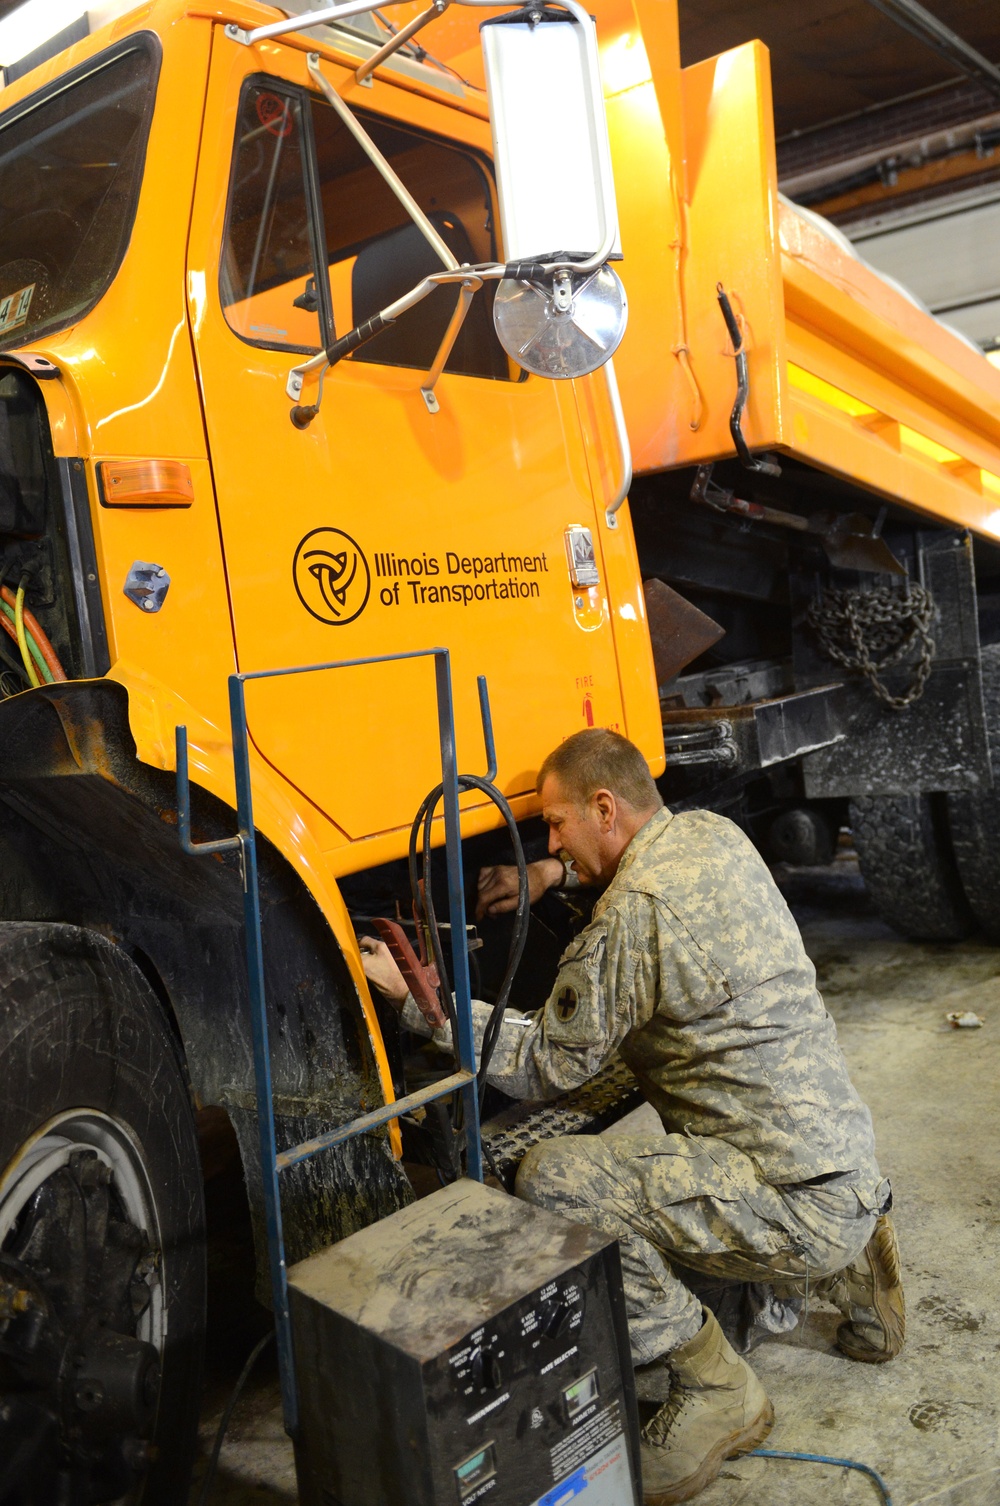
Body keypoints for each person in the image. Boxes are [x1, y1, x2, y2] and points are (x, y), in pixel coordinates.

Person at [360, 728, 904, 1506]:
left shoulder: (631, 917)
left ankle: (716, 1388)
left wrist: (420, 1004)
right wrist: (556, 871)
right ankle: (865, 1264)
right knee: (748, 1137)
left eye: (554, 823)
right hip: (843, 1162)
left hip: (794, 1204)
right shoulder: (712, 838)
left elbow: (546, 1062)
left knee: (553, 1180)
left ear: (604, 806)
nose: (549, 840)